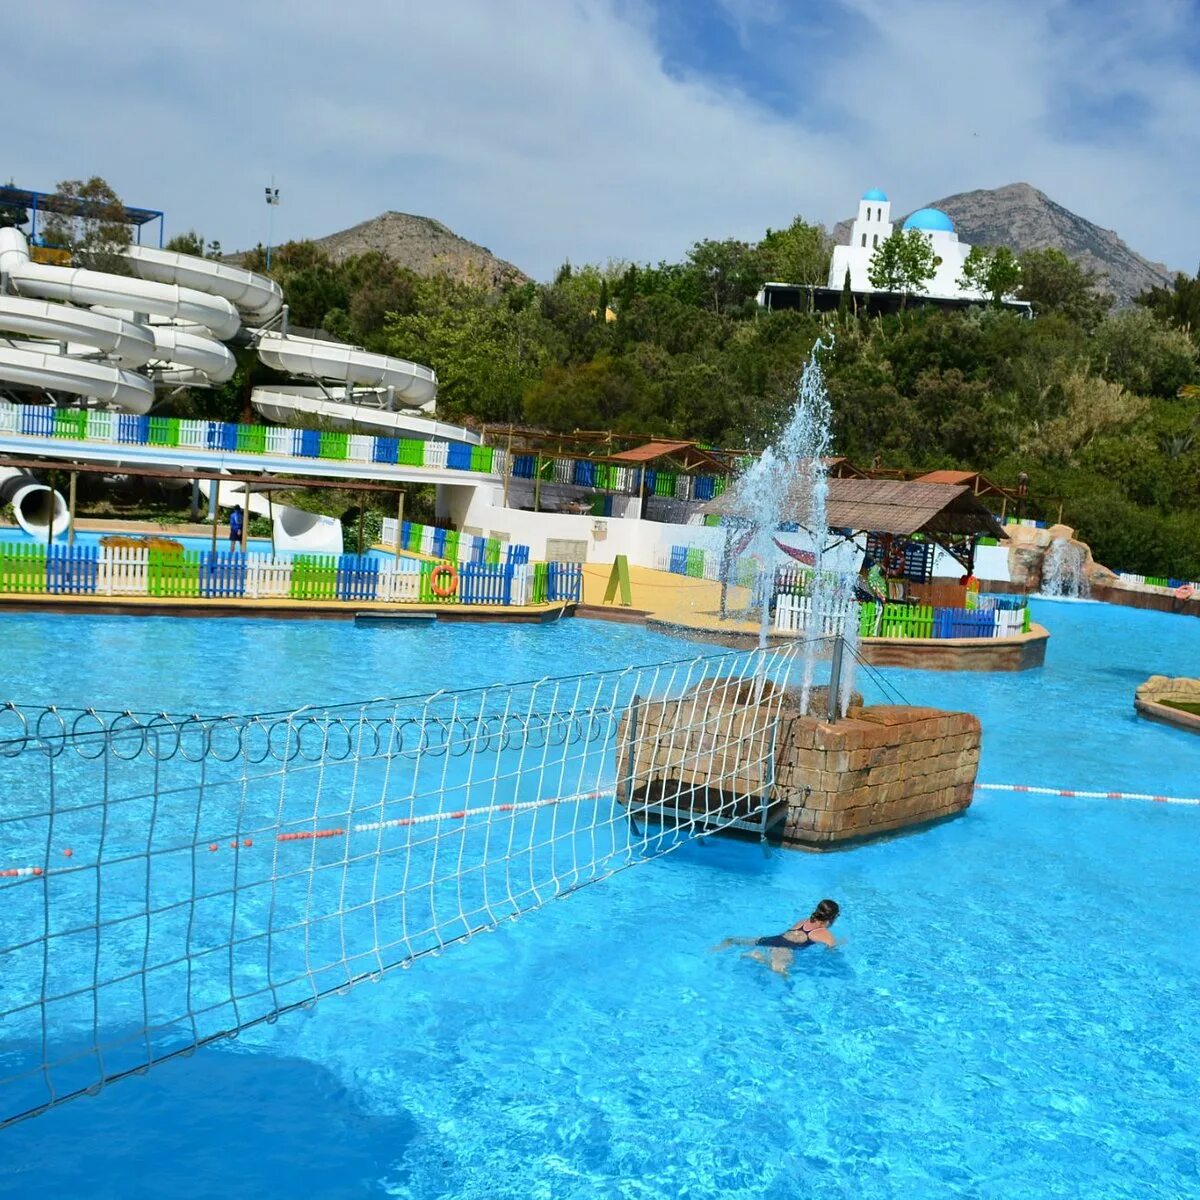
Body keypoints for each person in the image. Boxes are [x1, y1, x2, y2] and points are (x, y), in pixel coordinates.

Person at [713, 899, 840, 975]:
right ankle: (758, 956)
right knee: (782, 976)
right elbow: (831, 955)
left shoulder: (803, 921)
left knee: (733, 940)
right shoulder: (825, 934)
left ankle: (716, 949)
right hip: (784, 949)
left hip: (772, 939)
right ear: (832, 917)